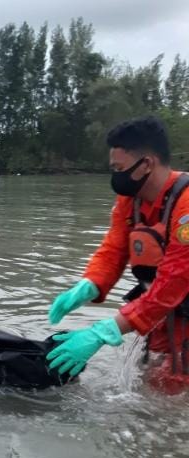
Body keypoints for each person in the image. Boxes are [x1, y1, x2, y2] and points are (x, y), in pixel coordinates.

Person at [47, 116, 189, 393]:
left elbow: (174, 282)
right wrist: (89, 285)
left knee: (176, 396)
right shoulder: (130, 199)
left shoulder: (185, 205)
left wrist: (105, 330)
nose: (116, 176)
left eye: (119, 168)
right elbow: (113, 249)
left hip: (175, 304)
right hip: (163, 317)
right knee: (154, 384)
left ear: (146, 164)